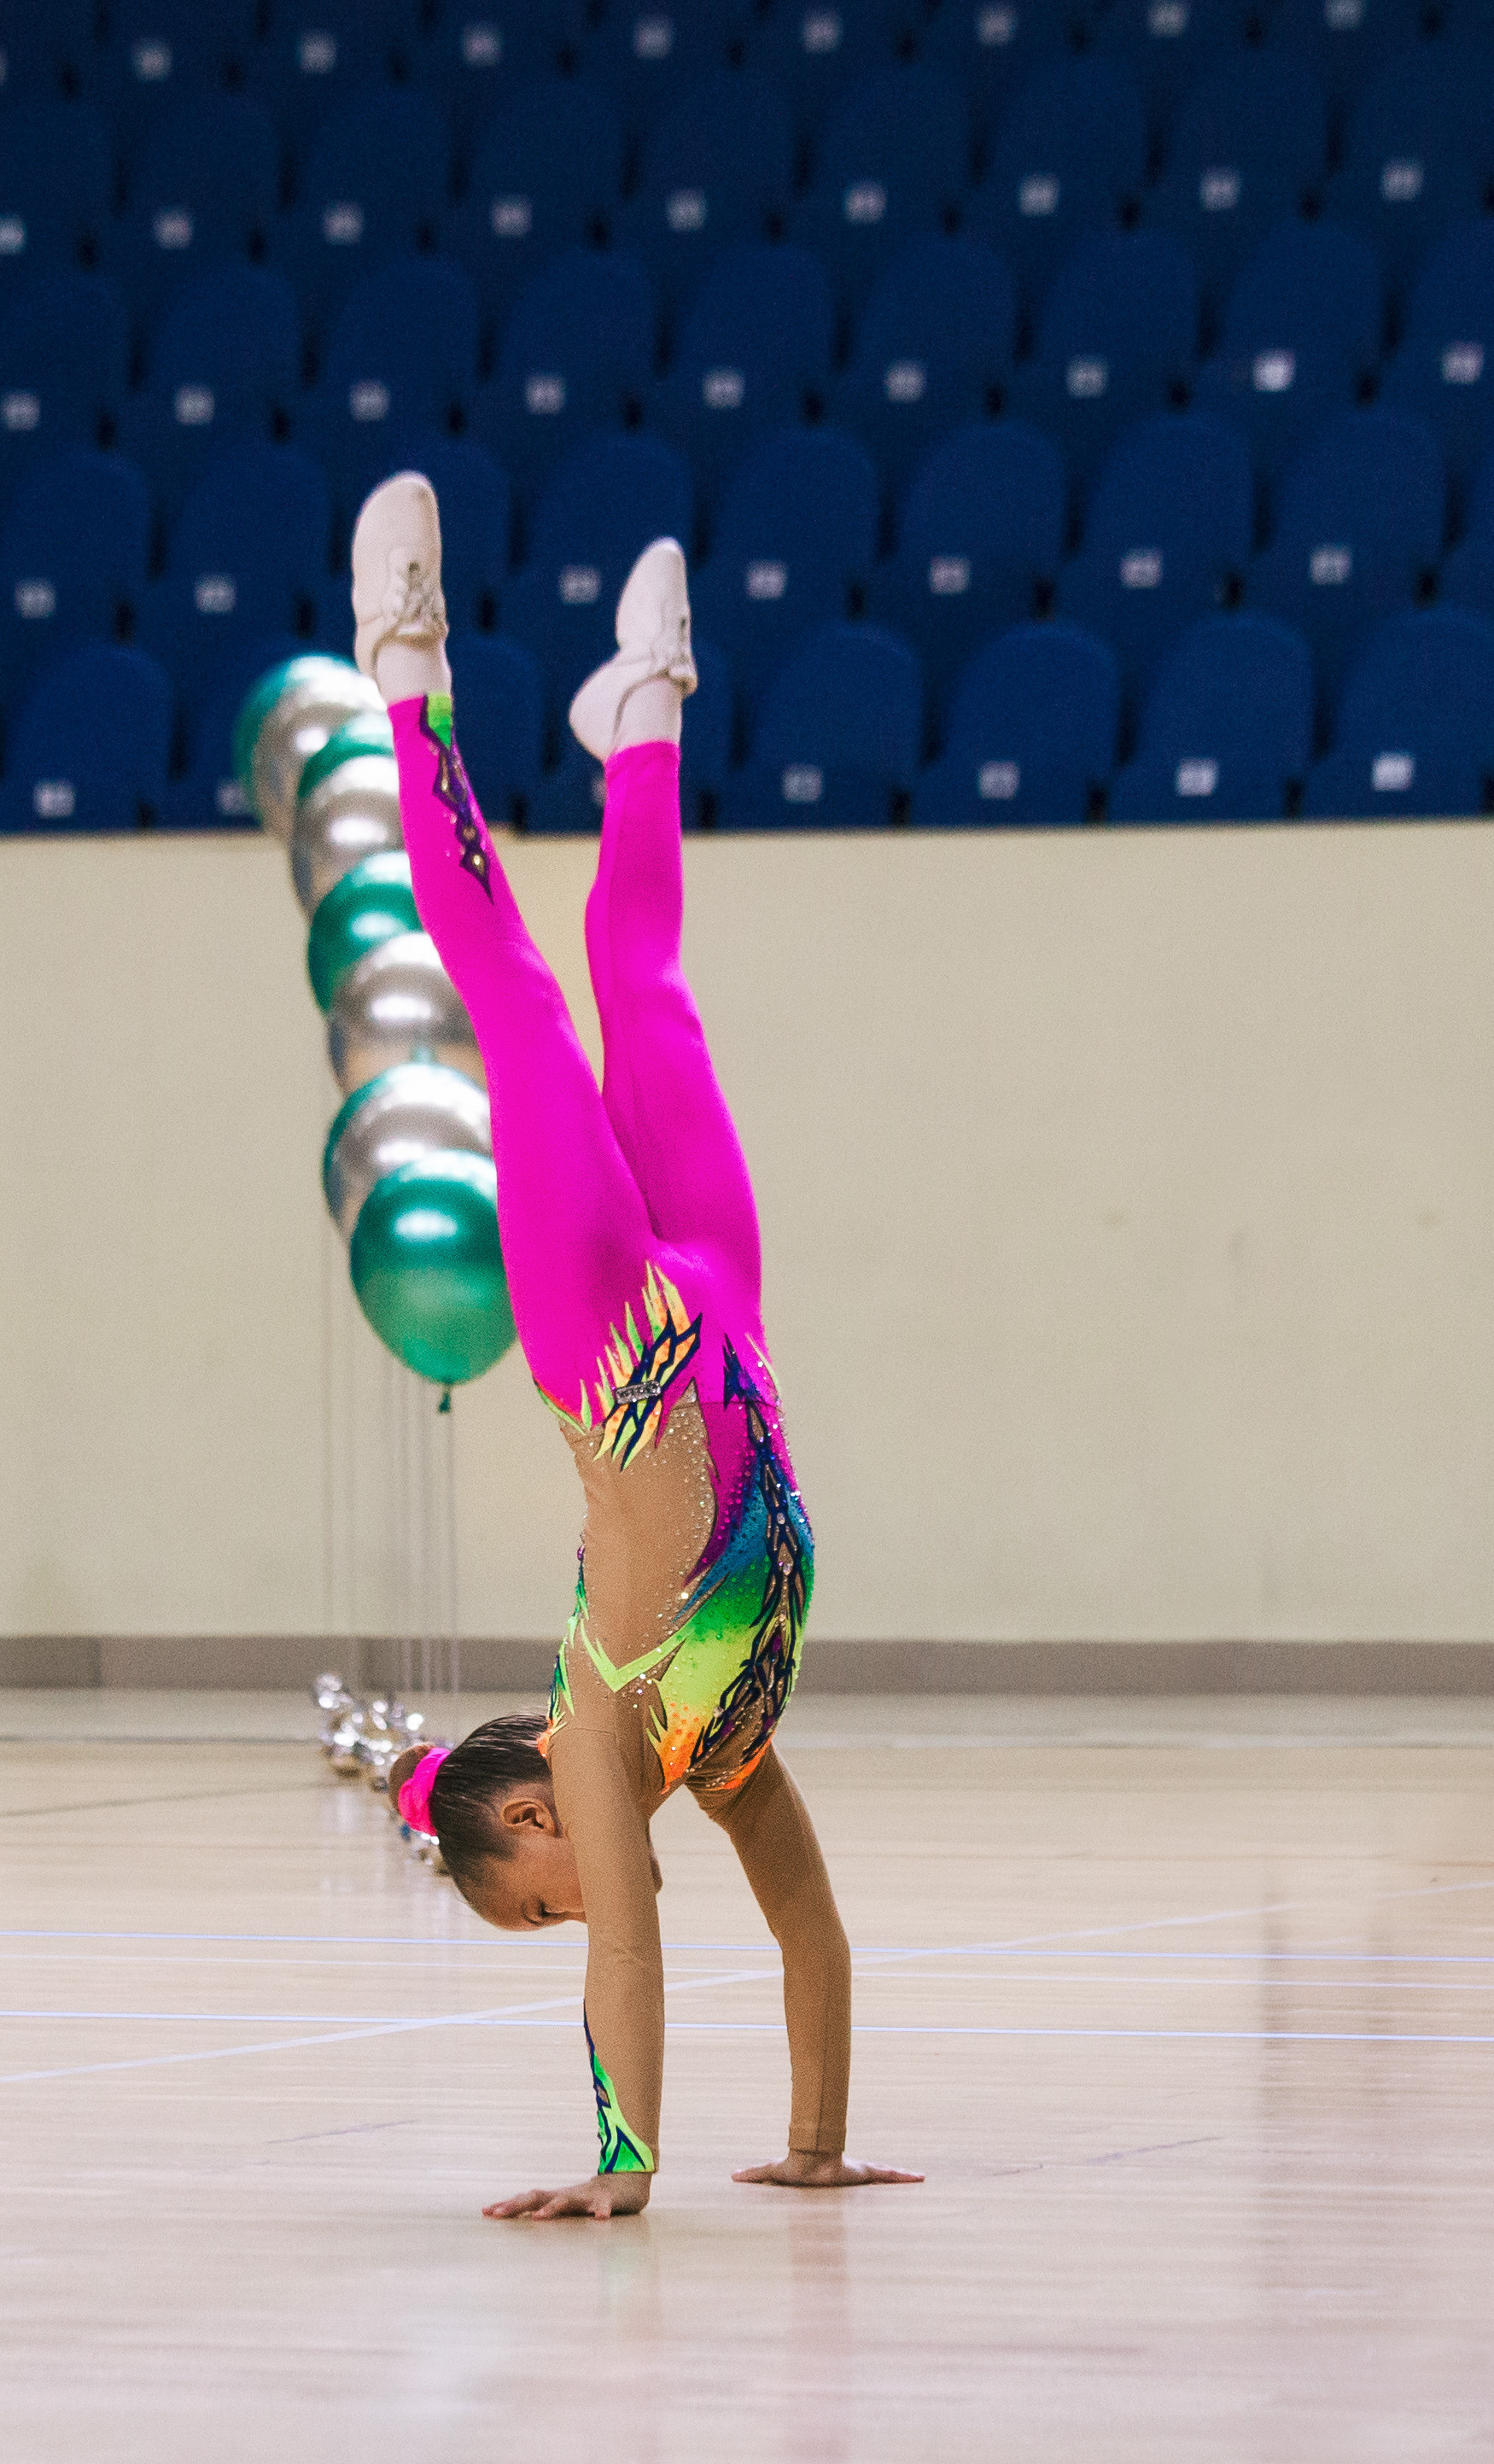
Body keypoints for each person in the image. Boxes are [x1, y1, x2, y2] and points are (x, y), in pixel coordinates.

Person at [353, 471, 919, 2221]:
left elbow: (643, 1947)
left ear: (531, 1819)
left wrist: (627, 2159)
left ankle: (403, 670)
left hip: (604, 1333)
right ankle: (647, 709)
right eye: (553, 1921)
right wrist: (815, 2140)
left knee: (515, 996)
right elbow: (806, 1914)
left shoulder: (607, 1729)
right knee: (647, 979)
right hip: (721, 1301)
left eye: (536, 1902)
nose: (573, 1907)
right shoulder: (720, 1747)